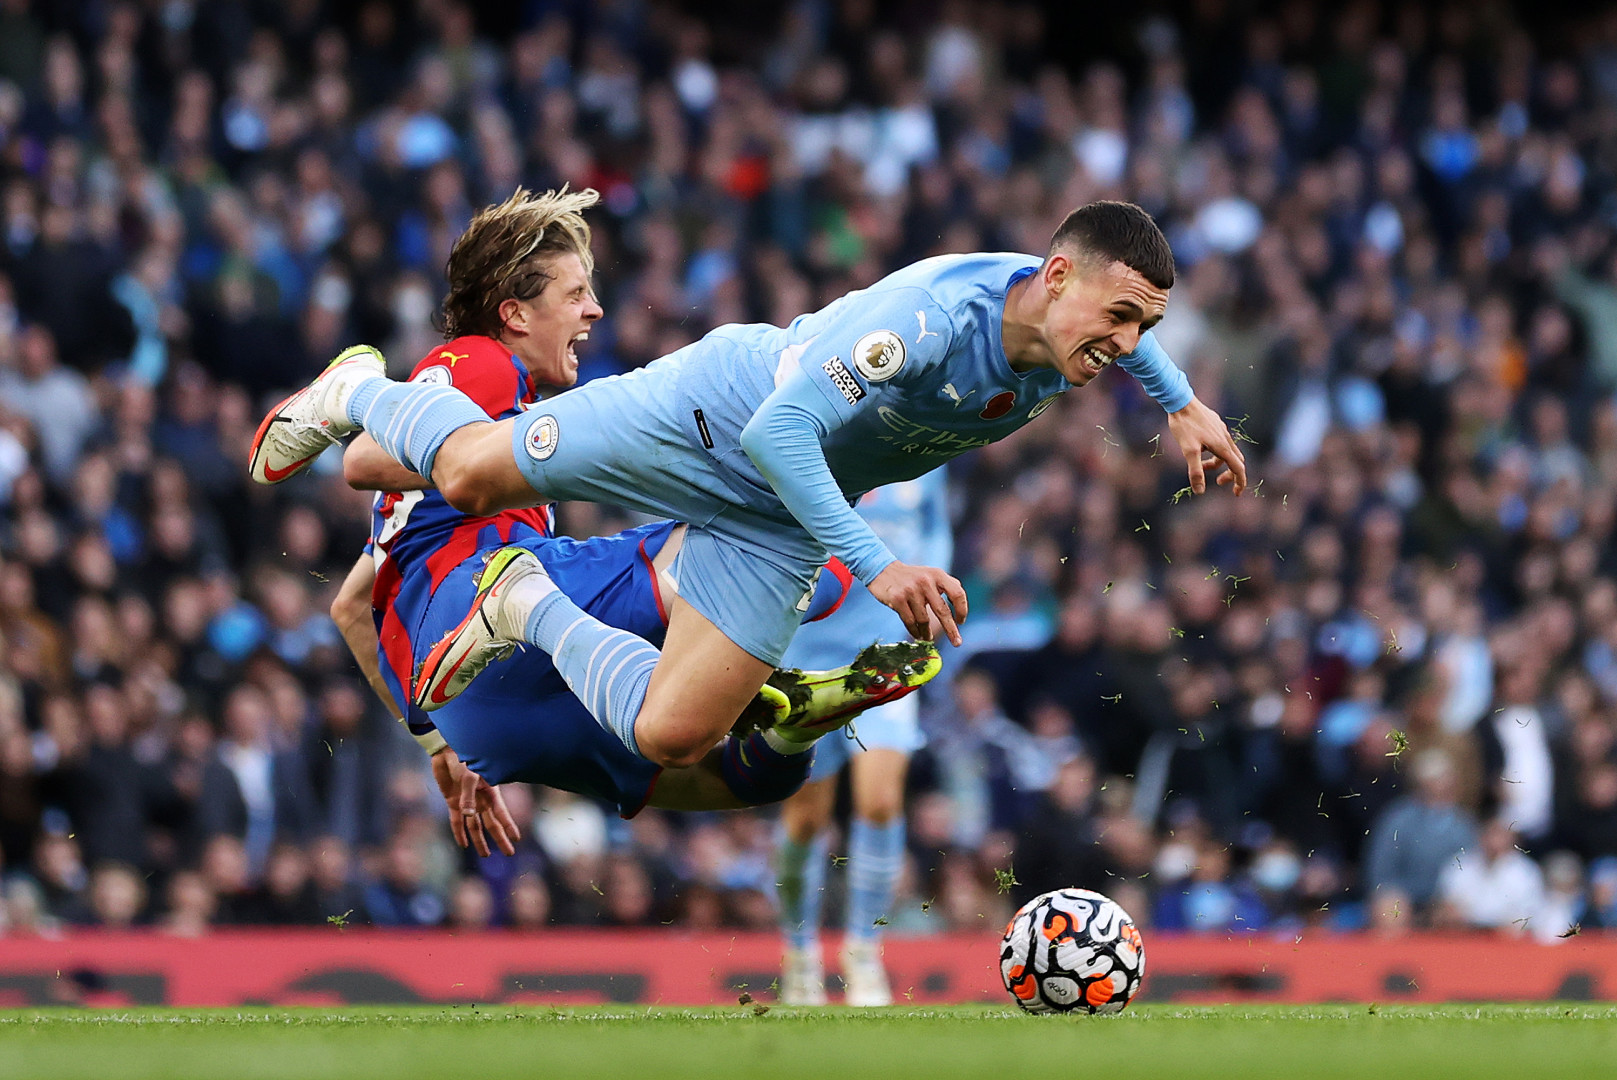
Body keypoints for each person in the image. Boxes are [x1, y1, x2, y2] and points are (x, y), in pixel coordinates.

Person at [251, 192, 1246, 820]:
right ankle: (353, 389)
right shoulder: (932, 324)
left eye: (1142, 327)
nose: (1127, 343)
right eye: (1120, 320)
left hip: (782, 510)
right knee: (467, 474)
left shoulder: (1067, 329)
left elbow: (1124, 310)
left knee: (673, 736)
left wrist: (1182, 402)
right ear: (1056, 278)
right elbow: (779, 434)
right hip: (717, 419)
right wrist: (877, 566)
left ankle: (541, 611)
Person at [318, 189, 935, 856]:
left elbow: (352, 610)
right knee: (780, 550)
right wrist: (492, 448)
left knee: (736, 776)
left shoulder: (435, 495)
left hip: (476, 709)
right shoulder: (479, 361)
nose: (595, 310)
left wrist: (438, 744)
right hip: (481, 601)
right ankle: (726, 641)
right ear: (514, 314)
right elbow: (363, 457)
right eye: (575, 293)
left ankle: (791, 727)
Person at [775, 469, 949, 1006]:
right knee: (806, 818)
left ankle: (864, 951)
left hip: (886, 651)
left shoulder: (929, 454)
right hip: (805, 654)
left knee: (880, 801)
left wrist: (936, 594)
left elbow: (936, 530)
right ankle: (799, 952)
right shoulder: (811, 446)